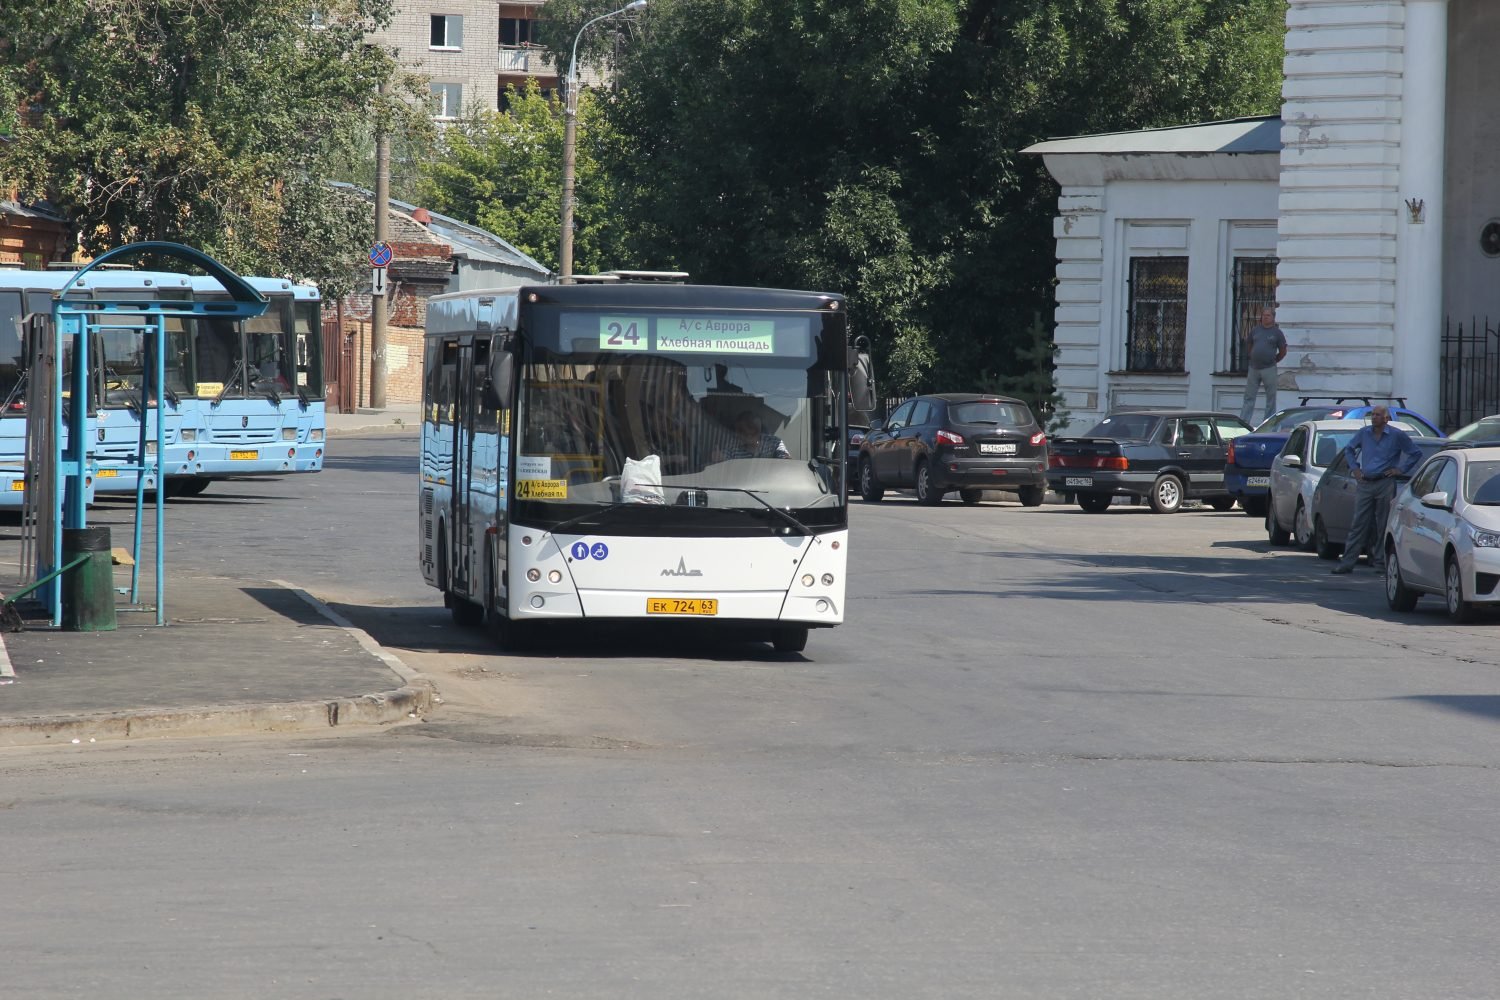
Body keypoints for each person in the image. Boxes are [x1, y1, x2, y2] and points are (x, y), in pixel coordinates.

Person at [1330, 405, 1424, 575]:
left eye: (1378, 415)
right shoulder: (1364, 433)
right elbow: (1349, 449)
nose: (1374, 417)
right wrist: (1355, 468)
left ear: (1386, 419)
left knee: (1383, 523)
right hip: (1365, 483)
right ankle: (1347, 562)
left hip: (1384, 483)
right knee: (1359, 523)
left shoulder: (1396, 435)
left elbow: (1415, 453)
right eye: (1372, 414)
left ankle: (1380, 561)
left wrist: (1400, 469)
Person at [1239, 306, 1288, 425]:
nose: (1265, 317)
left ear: (1273, 318)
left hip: (1269, 368)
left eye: (1268, 315)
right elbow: (1249, 343)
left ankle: (1268, 423)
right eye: (1263, 315)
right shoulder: (1256, 330)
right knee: (1249, 396)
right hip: (1254, 368)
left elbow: (1283, 350)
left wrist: (1274, 360)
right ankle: (1244, 422)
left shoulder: (1277, 333)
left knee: (1270, 398)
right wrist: (1253, 355)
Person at [721, 411, 789, 459]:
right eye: (742, 430)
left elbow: (785, 459)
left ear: (759, 428)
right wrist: (720, 458)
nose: (748, 433)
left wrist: (786, 458)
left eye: (751, 427)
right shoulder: (733, 446)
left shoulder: (774, 442)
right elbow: (723, 457)